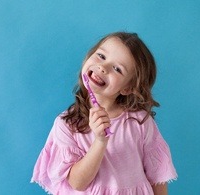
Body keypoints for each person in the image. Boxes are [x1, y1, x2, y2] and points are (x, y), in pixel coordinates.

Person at [31, 32, 177, 195]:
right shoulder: (67, 124)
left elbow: (157, 176)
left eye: (117, 69)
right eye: (101, 56)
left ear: (127, 88)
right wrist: (100, 141)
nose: (103, 67)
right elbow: (77, 183)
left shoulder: (140, 122)